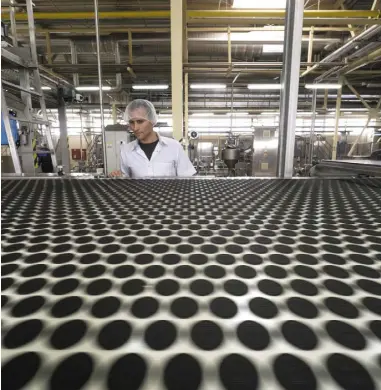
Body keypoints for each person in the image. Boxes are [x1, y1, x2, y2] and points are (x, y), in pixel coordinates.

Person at [110, 99, 196, 178]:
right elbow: (125, 180)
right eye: (132, 122)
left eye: (140, 121)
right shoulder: (126, 151)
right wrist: (117, 176)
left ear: (152, 120)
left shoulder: (174, 147)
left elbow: (187, 179)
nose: (135, 128)